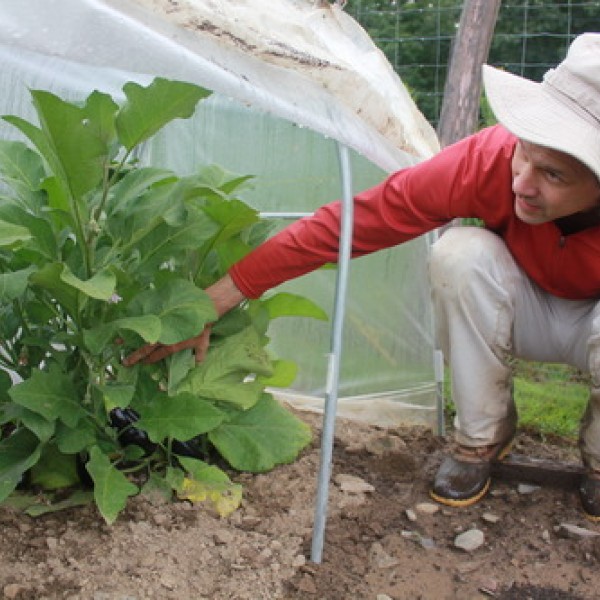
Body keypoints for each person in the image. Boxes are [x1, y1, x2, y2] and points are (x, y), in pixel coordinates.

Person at [125, 33, 600, 520]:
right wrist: (218, 298)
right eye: (524, 153)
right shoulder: (490, 161)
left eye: (554, 175)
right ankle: (482, 437)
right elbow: (352, 224)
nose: (521, 181)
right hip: (525, 307)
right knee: (460, 255)